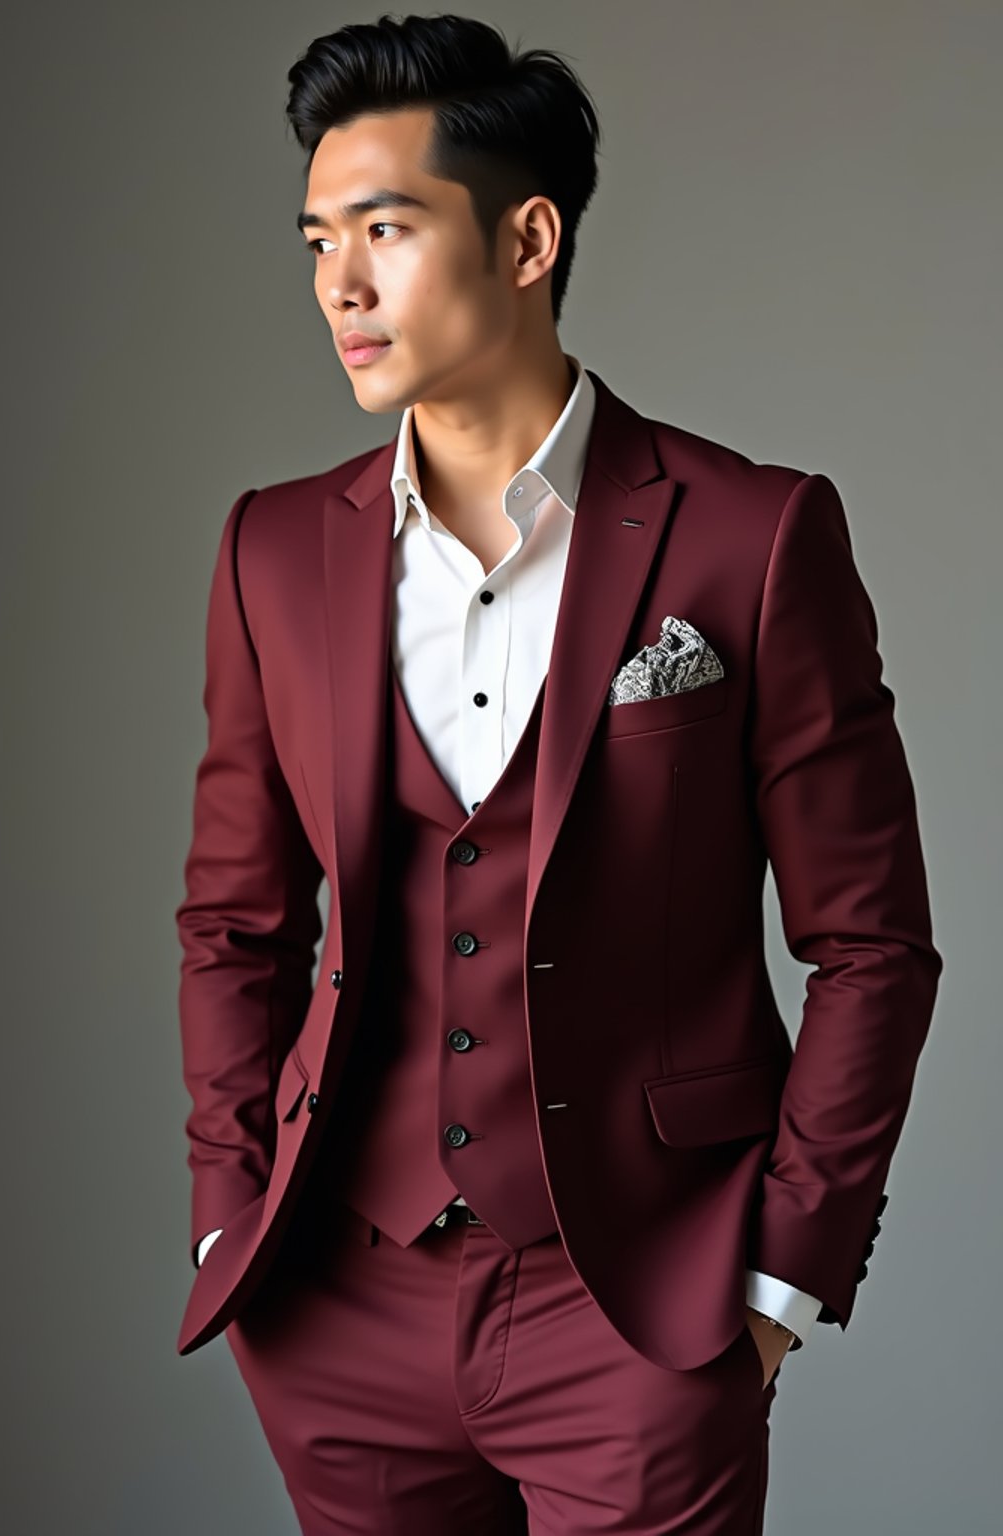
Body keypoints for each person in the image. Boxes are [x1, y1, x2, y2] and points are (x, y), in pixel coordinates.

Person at [174, 12, 942, 1533]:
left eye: (385, 228)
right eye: (320, 237)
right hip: (340, 1298)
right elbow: (234, 926)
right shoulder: (272, 547)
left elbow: (872, 942)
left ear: (525, 240)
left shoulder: (751, 534)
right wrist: (228, 1222)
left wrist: (783, 1275)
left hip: (640, 1311)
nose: (341, 283)